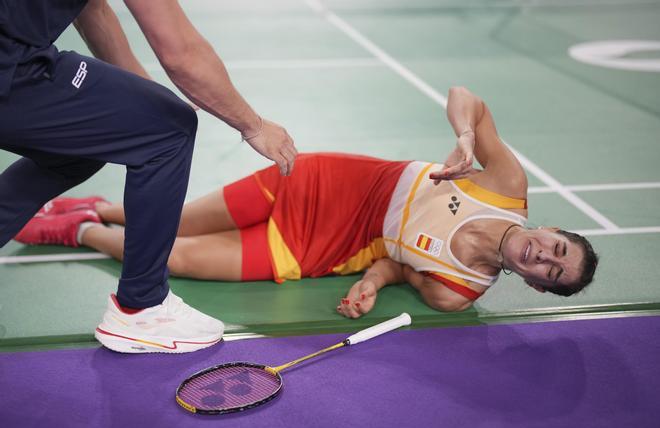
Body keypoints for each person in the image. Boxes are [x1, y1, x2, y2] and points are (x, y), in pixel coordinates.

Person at [15, 86, 598, 319]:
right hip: (323, 181)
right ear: (552, 229)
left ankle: (78, 230)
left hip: (321, 245)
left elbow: (399, 266)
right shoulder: (504, 186)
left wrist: (372, 283)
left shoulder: (454, 292)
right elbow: (466, 97)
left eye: (551, 270)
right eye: (557, 247)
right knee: (179, 216)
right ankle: (102, 207)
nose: (544, 255)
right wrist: (468, 138)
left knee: (175, 257)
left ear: (539, 286)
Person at [0, 0, 297, 353]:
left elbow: (92, 7)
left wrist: (147, 96)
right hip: (13, 68)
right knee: (169, 131)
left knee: (89, 141)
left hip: (19, 57)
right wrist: (254, 125)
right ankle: (140, 308)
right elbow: (181, 51)